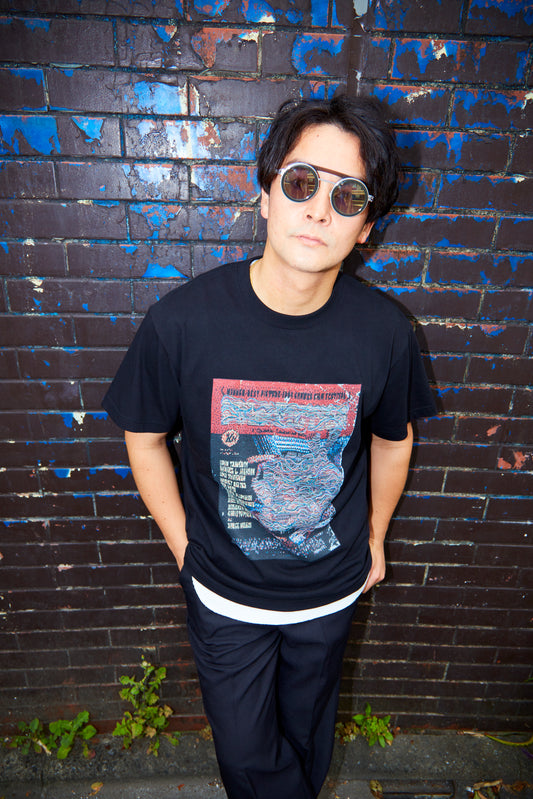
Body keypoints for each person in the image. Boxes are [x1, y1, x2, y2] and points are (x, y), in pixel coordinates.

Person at [102, 94, 436, 799]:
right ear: (264, 194)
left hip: (330, 594)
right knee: (249, 758)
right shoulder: (182, 323)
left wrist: (374, 535)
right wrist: (184, 545)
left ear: (366, 227)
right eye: (301, 182)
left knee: (309, 743)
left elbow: (392, 440)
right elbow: (144, 435)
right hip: (226, 597)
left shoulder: (384, 333)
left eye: (348, 196)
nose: (319, 211)